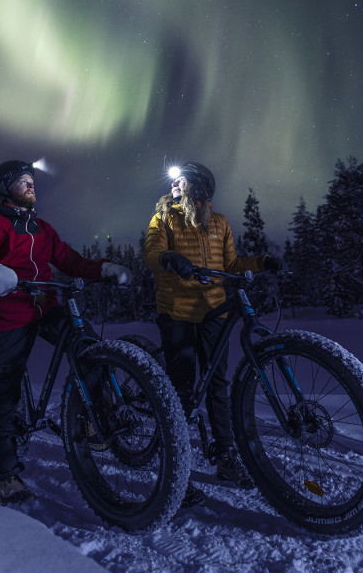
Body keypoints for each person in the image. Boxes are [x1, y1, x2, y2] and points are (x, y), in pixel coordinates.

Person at [0, 160, 132, 505]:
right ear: (5, 189)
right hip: (9, 314)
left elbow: (70, 261)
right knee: (4, 390)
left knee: (89, 347)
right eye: (22, 181)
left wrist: (104, 268)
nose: (30, 185)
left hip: (46, 305)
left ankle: (91, 420)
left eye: (32, 180)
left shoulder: (42, 228)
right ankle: (4, 474)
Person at [143, 161, 283, 504]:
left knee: (217, 384)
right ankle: (175, 468)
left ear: (198, 186)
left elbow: (230, 264)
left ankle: (225, 456)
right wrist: (169, 259)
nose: (174, 185)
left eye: (181, 180)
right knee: (180, 387)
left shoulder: (219, 222)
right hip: (177, 310)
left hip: (214, 310)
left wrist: (262, 262)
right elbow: (151, 253)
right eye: (174, 181)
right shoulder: (164, 217)